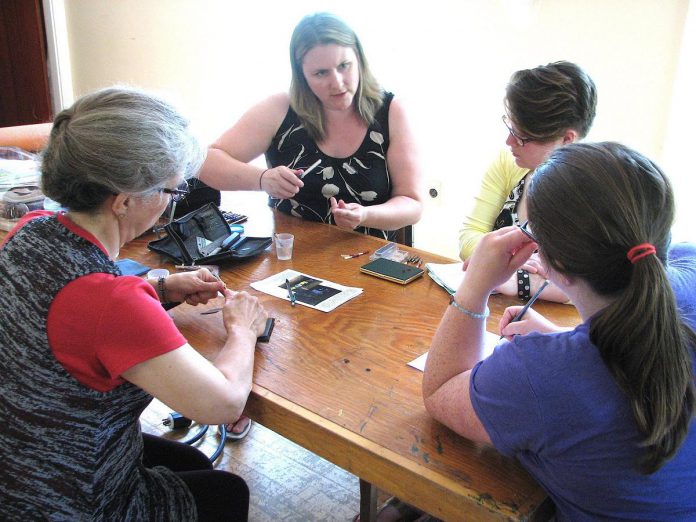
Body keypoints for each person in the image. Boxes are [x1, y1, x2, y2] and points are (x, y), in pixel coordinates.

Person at [0, 87, 269, 521]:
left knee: (193, 464)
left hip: (19, 463)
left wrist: (161, 291)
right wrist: (242, 329)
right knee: (224, 491)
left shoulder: (32, 229)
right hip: (68, 499)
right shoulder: (111, 300)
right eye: (171, 193)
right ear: (123, 199)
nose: (169, 205)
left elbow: (78, 318)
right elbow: (220, 405)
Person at [423, 142, 696, 520]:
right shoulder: (689, 267)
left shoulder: (539, 375)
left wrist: (475, 287)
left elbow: (439, 391)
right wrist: (558, 339)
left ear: (555, 263)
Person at [198, 12, 423, 242]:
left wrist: (366, 215)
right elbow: (205, 162)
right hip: (292, 260)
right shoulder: (280, 109)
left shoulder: (391, 111)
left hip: (370, 263)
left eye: (344, 65)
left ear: (359, 59)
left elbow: (412, 204)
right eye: (320, 73)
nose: (337, 82)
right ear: (302, 75)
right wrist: (262, 179)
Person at [458, 61, 597, 303]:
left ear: (566, 139)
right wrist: (522, 263)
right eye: (511, 127)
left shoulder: (595, 192)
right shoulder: (508, 163)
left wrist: (515, 279)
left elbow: (590, 286)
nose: (509, 141)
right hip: (498, 306)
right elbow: (469, 236)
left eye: (522, 137)